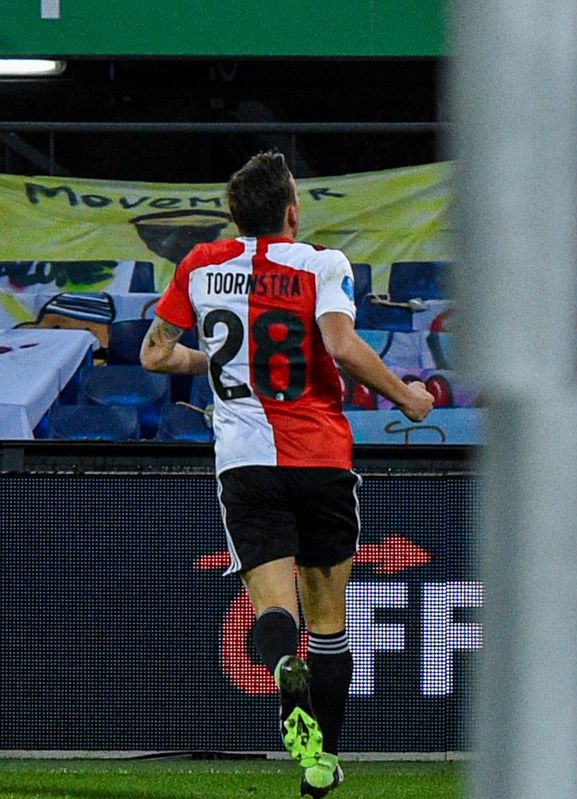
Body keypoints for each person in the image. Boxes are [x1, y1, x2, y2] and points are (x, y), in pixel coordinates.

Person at [141, 151, 435, 797]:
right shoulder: (323, 263)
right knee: (329, 625)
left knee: (276, 608)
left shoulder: (199, 265)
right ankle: (322, 763)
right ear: (292, 210)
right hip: (320, 458)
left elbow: (155, 353)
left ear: (234, 214)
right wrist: (406, 396)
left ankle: (280, 665)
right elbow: (339, 344)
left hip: (246, 464)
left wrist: (220, 361)